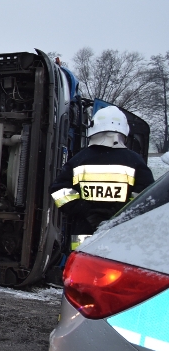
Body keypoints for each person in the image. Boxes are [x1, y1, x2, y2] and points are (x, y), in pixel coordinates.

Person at [50, 106, 154, 249]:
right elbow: (146, 196)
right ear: (124, 131)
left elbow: (58, 190)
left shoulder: (79, 159)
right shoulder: (135, 160)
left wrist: (86, 211)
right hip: (122, 232)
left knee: (82, 268)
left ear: (93, 129)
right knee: (117, 265)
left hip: (83, 233)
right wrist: (118, 213)